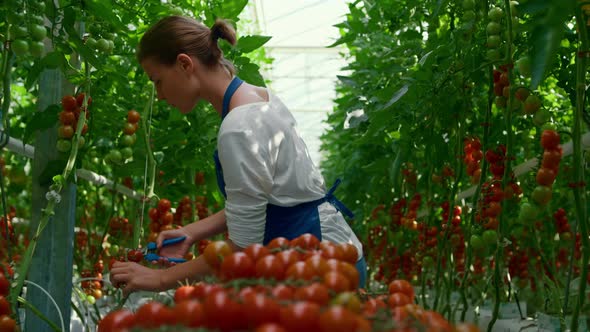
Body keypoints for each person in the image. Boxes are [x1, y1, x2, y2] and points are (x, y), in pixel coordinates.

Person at [109, 15, 365, 295]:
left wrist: (160, 279)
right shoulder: (261, 98)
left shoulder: (238, 128)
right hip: (331, 257)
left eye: (157, 81)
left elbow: (244, 245)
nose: (158, 94)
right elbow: (264, 199)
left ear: (184, 64)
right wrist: (193, 231)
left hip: (320, 269)